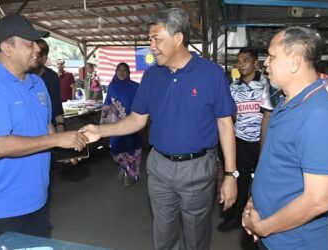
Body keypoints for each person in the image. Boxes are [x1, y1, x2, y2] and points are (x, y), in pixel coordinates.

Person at [80, 8, 238, 250]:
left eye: (156, 39)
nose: (151, 46)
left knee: (197, 237)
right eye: (149, 39)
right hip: (159, 167)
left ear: (178, 38)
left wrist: (230, 175)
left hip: (197, 167)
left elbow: (225, 125)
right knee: (163, 236)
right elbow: (137, 119)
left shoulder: (211, 73)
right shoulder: (152, 76)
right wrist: (101, 131)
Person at [0, 14, 88, 245]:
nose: (37, 49)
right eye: (29, 43)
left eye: (36, 43)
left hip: (38, 200)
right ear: (6, 47)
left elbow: (46, 126)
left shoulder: (37, 83)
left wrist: (64, 149)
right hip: (0, 208)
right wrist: (55, 141)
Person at [242, 26, 328, 250]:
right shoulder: (285, 102)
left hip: (293, 243)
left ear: (295, 62)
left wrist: (264, 227)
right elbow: (276, 165)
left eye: (272, 57)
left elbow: (318, 200)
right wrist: (254, 203)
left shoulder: (318, 115)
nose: (265, 63)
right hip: (271, 234)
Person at [218, 48, 268, 232]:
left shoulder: (266, 85)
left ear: (256, 63)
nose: (242, 63)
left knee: (263, 181)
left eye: (246, 60)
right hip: (241, 142)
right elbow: (228, 116)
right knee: (240, 181)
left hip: (262, 142)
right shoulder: (233, 87)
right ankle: (236, 218)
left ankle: (262, 218)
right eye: (239, 60)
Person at [100, 62, 142, 187]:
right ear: (116, 72)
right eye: (119, 70)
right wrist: (103, 124)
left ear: (128, 72)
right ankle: (124, 169)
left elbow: (141, 104)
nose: (121, 73)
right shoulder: (112, 86)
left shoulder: (136, 86)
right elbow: (107, 104)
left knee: (131, 150)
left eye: (124, 70)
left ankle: (129, 175)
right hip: (116, 126)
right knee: (115, 150)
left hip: (131, 124)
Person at [32, 39, 65, 132]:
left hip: (51, 128)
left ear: (45, 57)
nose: (36, 58)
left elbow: (56, 103)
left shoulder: (52, 76)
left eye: (40, 55)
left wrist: (60, 125)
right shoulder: (25, 75)